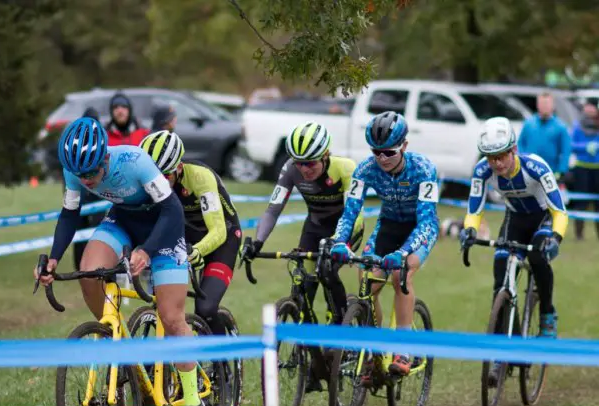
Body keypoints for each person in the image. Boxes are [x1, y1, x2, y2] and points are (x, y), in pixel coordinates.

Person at [34, 117, 203, 406]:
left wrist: (148, 251)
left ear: (105, 157)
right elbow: (70, 214)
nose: (85, 179)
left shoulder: (134, 161)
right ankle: (120, 341)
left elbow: (172, 209)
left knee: (171, 317)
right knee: (89, 272)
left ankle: (192, 400)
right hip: (123, 222)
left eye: (91, 172)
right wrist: (53, 258)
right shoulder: (74, 170)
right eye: (78, 173)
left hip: (164, 229)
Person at [240, 121, 365, 391]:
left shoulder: (346, 168)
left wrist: (336, 242)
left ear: (325, 155)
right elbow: (273, 209)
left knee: (328, 271)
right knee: (302, 289)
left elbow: (353, 213)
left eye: (311, 164)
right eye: (300, 163)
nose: (305, 169)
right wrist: (258, 241)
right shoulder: (290, 170)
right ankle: (313, 358)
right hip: (316, 228)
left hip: (346, 227)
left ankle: (340, 329)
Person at [330, 111, 439, 377]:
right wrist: (340, 241)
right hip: (388, 226)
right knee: (367, 281)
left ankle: (404, 348)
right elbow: (350, 211)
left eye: (389, 152)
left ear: (404, 145)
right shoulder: (365, 169)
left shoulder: (424, 169)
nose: (382, 159)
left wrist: (403, 252)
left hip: (419, 228)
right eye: (376, 152)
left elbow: (425, 221)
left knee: (400, 274)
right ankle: (374, 351)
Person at [460, 117, 567, 356]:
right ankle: (510, 346)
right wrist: (470, 230)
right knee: (500, 277)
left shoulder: (536, 168)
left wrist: (556, 238)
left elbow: (559, 212)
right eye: (490, 157)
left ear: (514, 150)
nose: (496, 164)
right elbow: (474, 209)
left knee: (539, 258)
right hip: (515, 218)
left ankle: (547, 313)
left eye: (501, 156)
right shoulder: (481, 171)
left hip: (543, 217)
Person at [140, 130, 241, 335]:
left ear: (178, 167)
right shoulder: (150, 184)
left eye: (165, 175)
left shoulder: (199, 177)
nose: (159, 182)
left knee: (205, 309)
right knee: (165, 308)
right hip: (185, 238)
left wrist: (197, 251)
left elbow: (218, 230)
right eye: (154, 176)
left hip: (223, 239)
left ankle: (222, 361)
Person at [71, 107, 107, 271]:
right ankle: (80, 266)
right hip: (80, 195)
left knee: (97, 230)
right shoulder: (75, 143)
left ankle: (96, 263)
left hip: (97, 196)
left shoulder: (101, 143)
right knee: (79, 232)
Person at [517, 92, 571, 178]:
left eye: (547, 104)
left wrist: (561, 171)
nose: (545, 106)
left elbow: (566, 151)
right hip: (528, 171)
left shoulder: (561, 127)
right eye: (542, 103)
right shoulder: (528, 123)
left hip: (550, 172)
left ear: (553, 106)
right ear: (537, 105)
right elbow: (520, 144)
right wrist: (521, 161)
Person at [569, 99, 599, 240]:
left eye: (593, 107)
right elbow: (571, 145)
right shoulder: (577, 125)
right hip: (581, 168)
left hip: (597, 169)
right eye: (588, 106)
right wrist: (585, 147)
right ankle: (579, 234)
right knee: (581, 202)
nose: (590, 109)